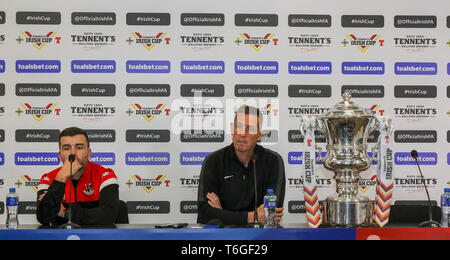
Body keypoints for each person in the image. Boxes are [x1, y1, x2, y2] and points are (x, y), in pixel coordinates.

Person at [197, 105, 286, 226]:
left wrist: (222, 213)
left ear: (259, 135)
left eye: (250, 129)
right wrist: (253, 216)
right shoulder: (213, 161)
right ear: (232, 129)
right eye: (238, 126)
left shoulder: (273, 161)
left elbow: (271, 214)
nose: (242, 134)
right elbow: (205, 214)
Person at [36, 127, 120, 226]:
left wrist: (65, 213)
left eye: (79, 147)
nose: (73, 154)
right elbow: (43, 217)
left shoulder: (105, 175)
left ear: (89, 153)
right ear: (59, 155)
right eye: (67, 148)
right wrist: (61, 178)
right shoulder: (48, 178)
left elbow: (108, 216)